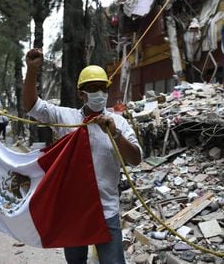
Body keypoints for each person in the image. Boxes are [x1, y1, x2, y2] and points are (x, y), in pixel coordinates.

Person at [23, 48, 142, 264]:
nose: (99, 93)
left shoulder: (119, 123)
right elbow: (31, 105)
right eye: (92, 88)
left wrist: (115, 134)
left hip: (107, 212)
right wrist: (31, 70)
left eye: (102, 88)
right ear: (81, 94)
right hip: (74, 212)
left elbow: (135, 159)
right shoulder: (65, 117)